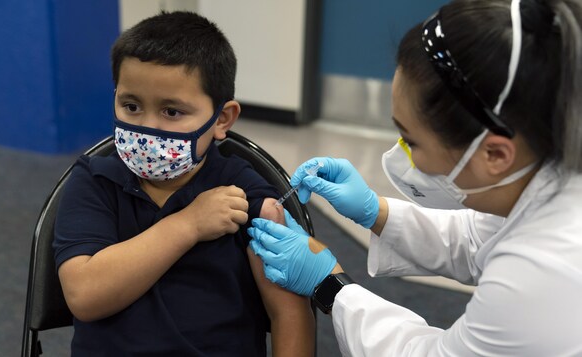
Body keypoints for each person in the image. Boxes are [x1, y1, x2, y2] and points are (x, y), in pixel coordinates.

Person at [248, 0, 582, 355]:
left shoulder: (544, 271)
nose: (401, 154)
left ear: (495, 155)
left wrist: (330, 285)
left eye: (411, 141)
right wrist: (374, 212)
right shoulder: (549, 167)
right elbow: (476, 241)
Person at [52, 11, 315, 356]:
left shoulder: (247, 194)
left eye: (171, 112)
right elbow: (85, 296)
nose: (147, 127)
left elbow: (290, 314)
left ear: (222, 119)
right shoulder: (94, 182)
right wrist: (189, 224)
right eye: (131, 105)